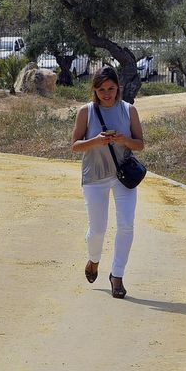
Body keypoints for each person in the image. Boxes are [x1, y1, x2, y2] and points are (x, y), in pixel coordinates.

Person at [71, 67, 145, 299]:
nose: (106, 94)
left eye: (111, 88)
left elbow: (140, 144)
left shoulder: (129, 110)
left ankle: (117, 275)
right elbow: (75, 146)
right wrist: (95, 141)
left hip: (123, 176)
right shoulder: (86, 112)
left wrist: (124, 140)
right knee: (98, 229)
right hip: (94, 176)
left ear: (117, 88)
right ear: (94, 90)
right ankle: (94, 260)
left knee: (126, 225)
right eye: (101, 89)